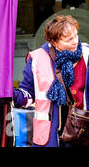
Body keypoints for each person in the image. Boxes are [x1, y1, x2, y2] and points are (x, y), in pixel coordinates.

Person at [13, 15, 88, 147]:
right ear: (54, 41)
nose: (75, 41)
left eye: (76, 35)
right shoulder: (37, 58)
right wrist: (12, 95)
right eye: (69, 39)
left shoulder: (87, 54)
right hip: (49, 134)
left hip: (82, 130)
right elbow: (28, 93)